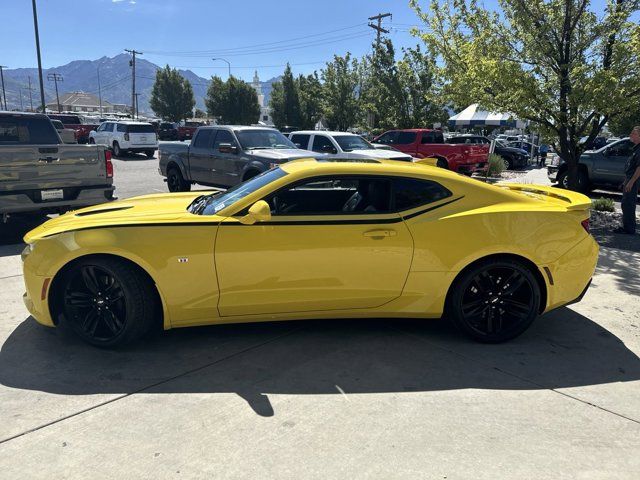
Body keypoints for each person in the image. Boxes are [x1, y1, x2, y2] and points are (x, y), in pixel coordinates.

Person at [614, 126, 640, 234]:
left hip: (633, 180)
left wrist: (631, 181)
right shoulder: (636, 149)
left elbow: (639, 168)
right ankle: (627, 227)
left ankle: (629, 229)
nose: (630, 135)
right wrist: (626, 180)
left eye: (633, 133)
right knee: (625, 203)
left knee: (628, 203)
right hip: (629, 179)